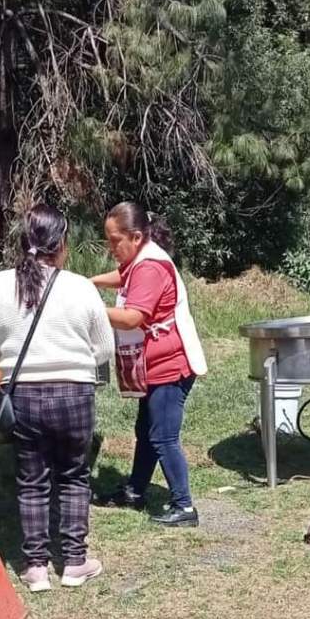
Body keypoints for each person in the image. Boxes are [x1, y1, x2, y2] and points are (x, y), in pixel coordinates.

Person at [0, 204, 114, 591]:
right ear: (62, 243)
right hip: (74, 392)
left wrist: (16, 356)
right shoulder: (81, 287)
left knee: (31, 479)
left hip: (23, 397)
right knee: (73, 476)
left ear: (24, 241)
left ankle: (34, 567)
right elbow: (103, 349)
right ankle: (74, 563)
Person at [90, 202, 208, 527]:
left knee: (163, 436)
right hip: (154, 364)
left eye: (115, 240)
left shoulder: (151, 267)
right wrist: (89, 283)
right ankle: (135, 491)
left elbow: (131, 318)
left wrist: (88, 305)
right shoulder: (140, 259)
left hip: (170, 365)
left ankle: (184, 506)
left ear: (137, 236)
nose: (111, 247)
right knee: (146, 431)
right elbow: (122, 276)